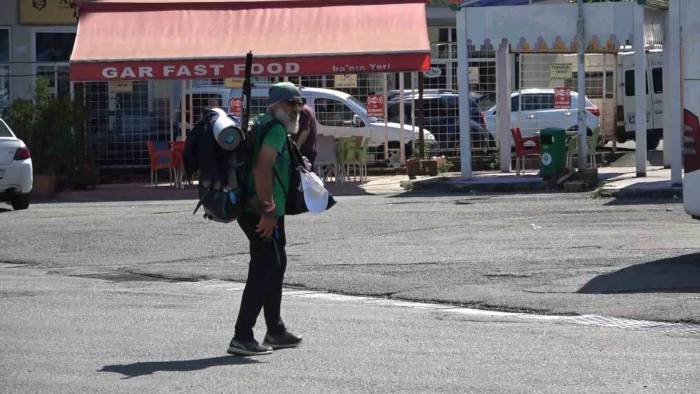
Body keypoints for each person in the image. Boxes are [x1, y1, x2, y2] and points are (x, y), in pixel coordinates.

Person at [227, 82, 304, 356]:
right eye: (289, 104)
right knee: (266, 265)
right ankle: (242, 336)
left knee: (276, 262)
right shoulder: (275, 129)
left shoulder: (262, 123)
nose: (295, 109)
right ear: (275, 106)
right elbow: (262, 169)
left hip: (260, 207)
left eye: (298, 104)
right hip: (261, 210)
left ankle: (275, 329)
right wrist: (268, 211)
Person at [292, 98, 318, 167]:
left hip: (304, 150)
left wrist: (296, 148)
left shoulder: (303, 111)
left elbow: (305, 131)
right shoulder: (308, 109)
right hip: (309, 149)